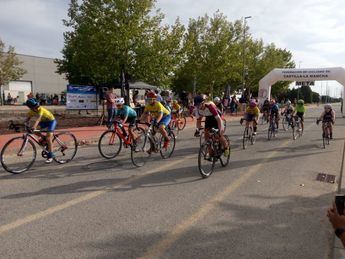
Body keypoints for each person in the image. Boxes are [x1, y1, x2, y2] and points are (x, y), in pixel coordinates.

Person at [25, 98, 57, 163]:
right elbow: (27, 119)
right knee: (34, 131)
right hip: (43, 122)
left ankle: (50, 156)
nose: (37, 107)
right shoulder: (31, 111)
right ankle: (44, 138)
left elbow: (38, 119)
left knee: (48, 138)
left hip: (51, 121)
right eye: (35, 107)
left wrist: (34, 126)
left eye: (37, 105)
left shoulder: (41, 110)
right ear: (31, 108)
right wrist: (22, 124)